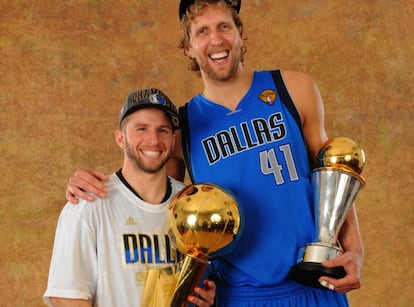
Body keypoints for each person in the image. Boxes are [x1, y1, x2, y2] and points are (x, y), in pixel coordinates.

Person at [66, 1, 364, 306]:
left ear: (240, 34)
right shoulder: (181, 129)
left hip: (313, 284)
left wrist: (353, 248)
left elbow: (334, 175)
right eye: (202, 31)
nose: (216, 40)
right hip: (235, 296)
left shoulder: (294, 88)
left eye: (224, 26)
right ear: (188, 48)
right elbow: (154, 205)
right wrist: (92, 186)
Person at [44, 88, 216, 307]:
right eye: (141, 129)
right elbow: (65, 296)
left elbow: (200, 282)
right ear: (120, 138)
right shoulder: (89, 204)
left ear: (173, 140)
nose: (153, 140)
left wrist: (207, 297)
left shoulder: (190, 205)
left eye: (162, 130)